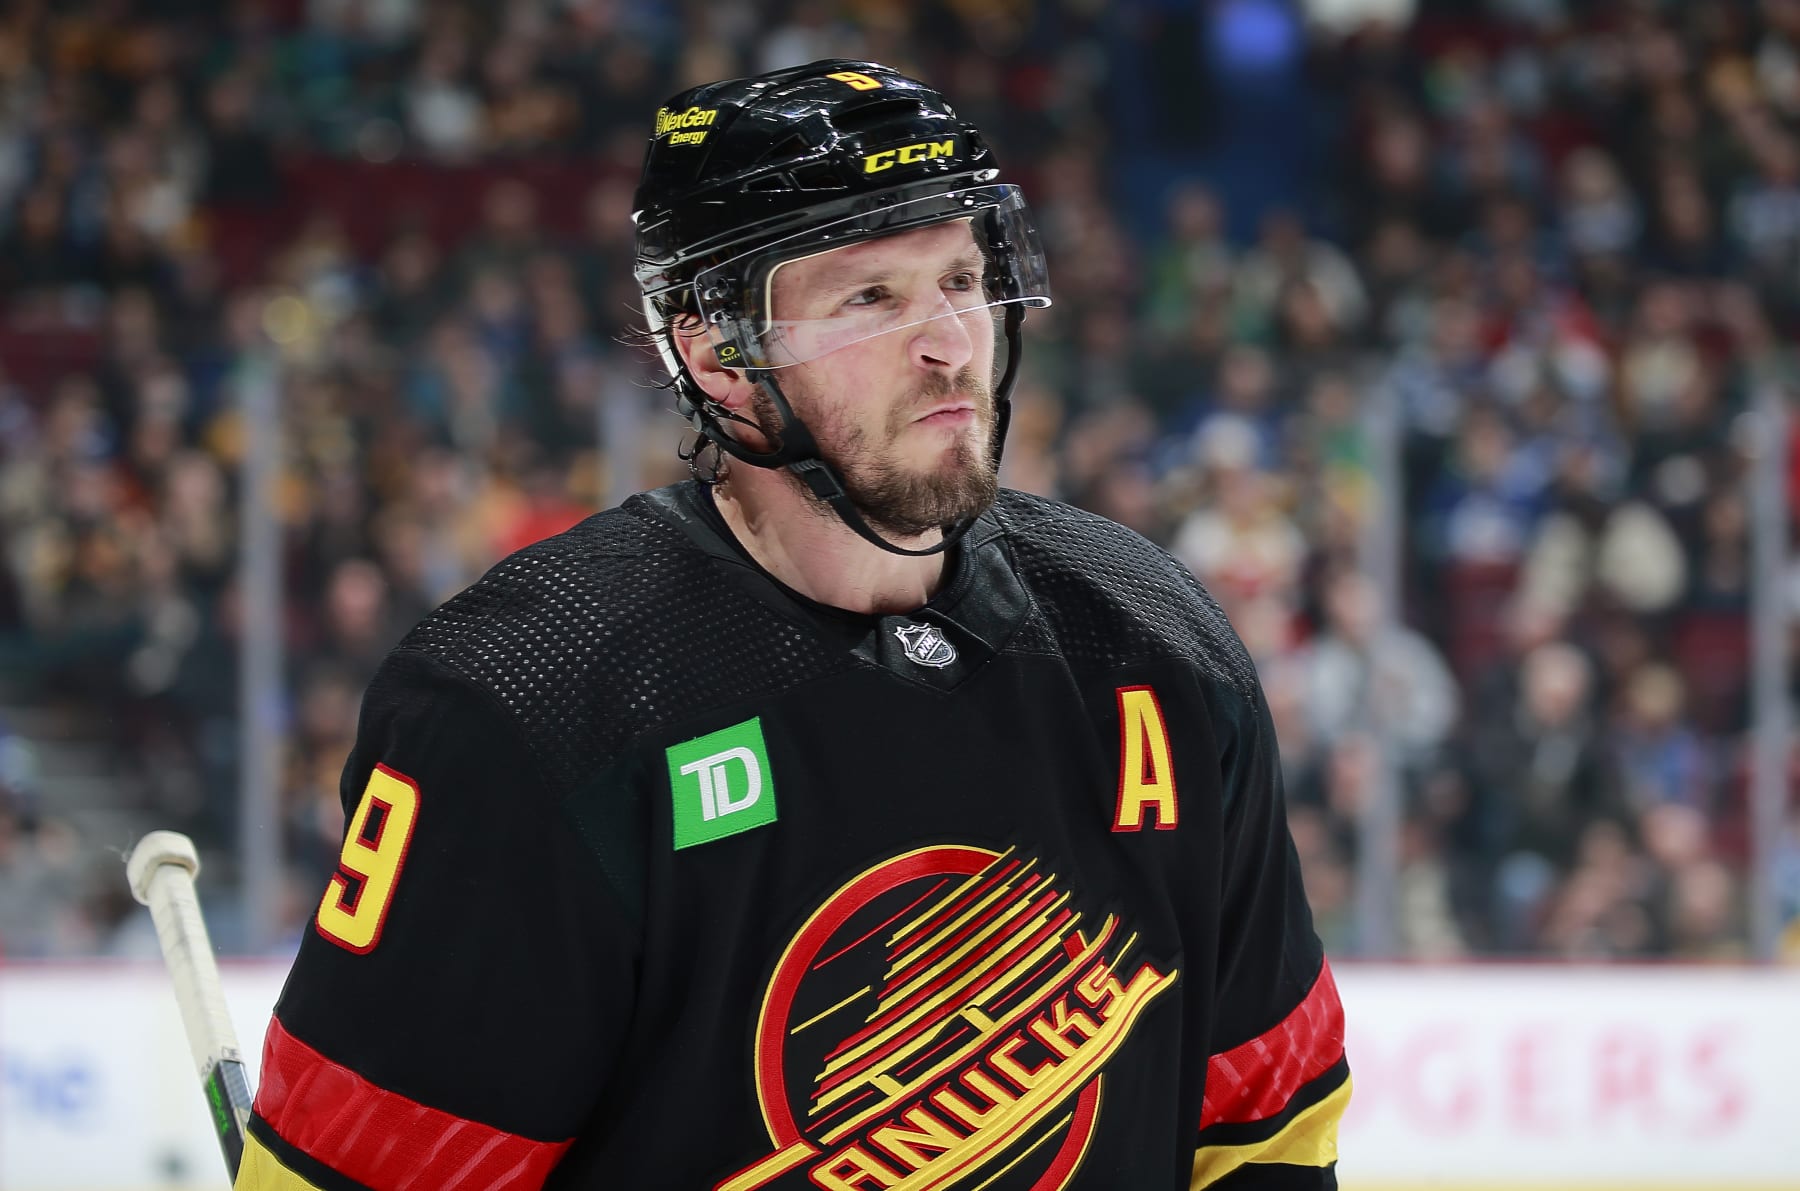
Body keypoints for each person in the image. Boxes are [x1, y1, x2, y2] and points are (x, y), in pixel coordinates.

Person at [237, 60, 1349, 1191]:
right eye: (871, 296)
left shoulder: (1151, 641)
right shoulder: (526, 703)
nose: (951, 341)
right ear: (720, 355)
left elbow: (1266, 1126)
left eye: (962, 277)